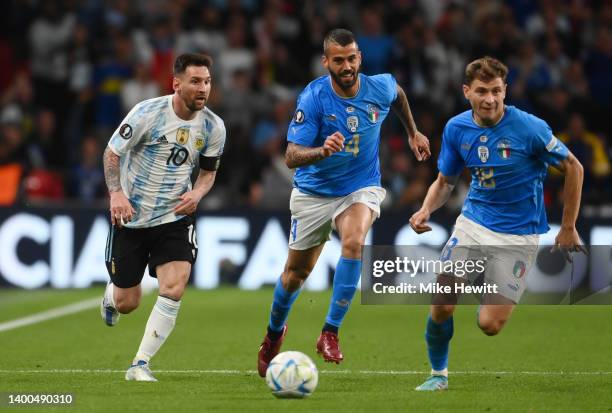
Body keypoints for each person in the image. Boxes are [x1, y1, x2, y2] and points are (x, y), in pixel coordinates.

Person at [257, 28, 431, 377]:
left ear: (359, 58)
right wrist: (322, 150)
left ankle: (330, 332)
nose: (347, 66)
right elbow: (291, 156)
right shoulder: (314, 98)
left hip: (360, 187)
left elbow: (397, 95)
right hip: (314, 192)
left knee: (353, 242)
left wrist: (412, 132)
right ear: (326, 62)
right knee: (295, 276)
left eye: (352, 58)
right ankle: (274, 335)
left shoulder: (378, 86)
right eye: (339, 60)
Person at [408, 56, 585, 391]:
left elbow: (574, 167)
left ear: (506, 91)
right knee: (442, 301)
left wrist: (568, 226)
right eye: (481, 91)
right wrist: (425, 209)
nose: (489, 98)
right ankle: (438, 375)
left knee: (490, 325)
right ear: (466, 92)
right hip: (473, 223)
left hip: (519, 235)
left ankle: (484, 293)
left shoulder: (529, 128)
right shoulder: (457, 128)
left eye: (496, 91)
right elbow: (446, 181)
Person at [100, 53, 226, 382]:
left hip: (174, 217)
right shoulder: (147, 113)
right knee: (129, 302)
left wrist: (197, 194)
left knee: (174, 286)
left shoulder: (213, 127)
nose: (203, 88)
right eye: (196, 81)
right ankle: (111, 296)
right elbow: (112, 152)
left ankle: (140, 364)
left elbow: (208, 173)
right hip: (132, 217)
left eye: (207, 81)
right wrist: (116, 193)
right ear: (177, 83)